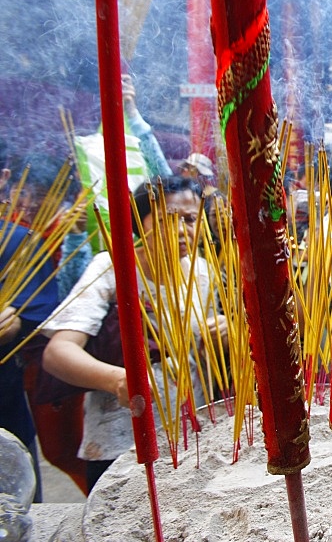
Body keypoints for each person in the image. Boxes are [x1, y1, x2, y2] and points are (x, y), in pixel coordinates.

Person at [41, 176, 221, 491]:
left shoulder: (201, 270)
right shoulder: (112, 267)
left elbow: (202, 344)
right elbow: (58, 353)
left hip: (191, 433)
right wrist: (117, 379)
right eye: (168, 219)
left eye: (190, 219)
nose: (181, 230)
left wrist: (220, 331)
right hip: (122, 439)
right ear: (141, 222)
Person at [0, 156, 63, 502]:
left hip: (4, 392)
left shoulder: (19, 242)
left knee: (14, 498)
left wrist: (18, 321)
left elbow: (44, 309)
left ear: (3, 178)